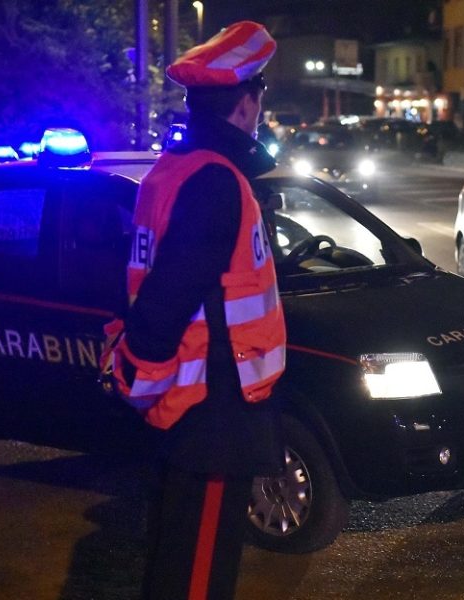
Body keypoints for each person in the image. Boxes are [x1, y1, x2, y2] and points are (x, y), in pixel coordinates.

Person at [102, 21, 286, 599]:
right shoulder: (217, 182)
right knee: (199, 576)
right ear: (245, 103)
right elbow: (171, 296)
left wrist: (141, 376)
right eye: (259, 95)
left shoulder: (173, 170)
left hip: (182, 404)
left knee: (175, 559)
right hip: (215, 412)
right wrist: (145, 361)